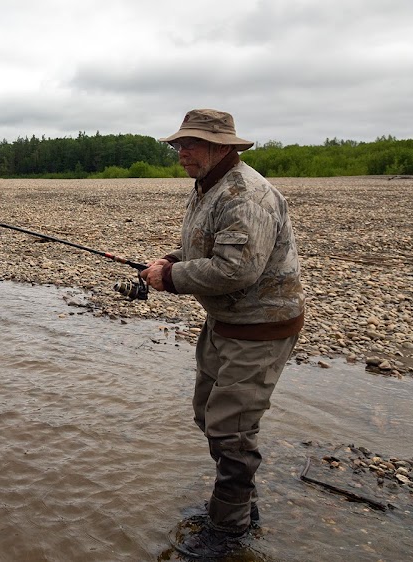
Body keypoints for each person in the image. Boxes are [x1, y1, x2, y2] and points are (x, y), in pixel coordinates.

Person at [141, 109, 305, 559]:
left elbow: (237, 268)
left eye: (190, 145)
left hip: (260, 327)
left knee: (230, 429)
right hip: (226, 323)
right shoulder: (208, 186)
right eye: (179, 145)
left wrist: (172, 279)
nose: (181, 153)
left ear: (222, 147)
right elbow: (206, 249)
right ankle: (239, 500)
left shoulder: (245, 195)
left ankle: (229, 529)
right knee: (208, 415)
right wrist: (171, 262)